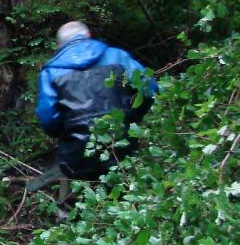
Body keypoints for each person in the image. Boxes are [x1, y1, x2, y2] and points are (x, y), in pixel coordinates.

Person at [35, 20, 158, 181]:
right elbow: (150, 89)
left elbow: (48, 120)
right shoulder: (118, 56)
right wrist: (133, 116)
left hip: (77, 155)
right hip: (122, 142)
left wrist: (68, 132)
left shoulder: (51, 72)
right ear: (87, 35)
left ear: (59, 45)